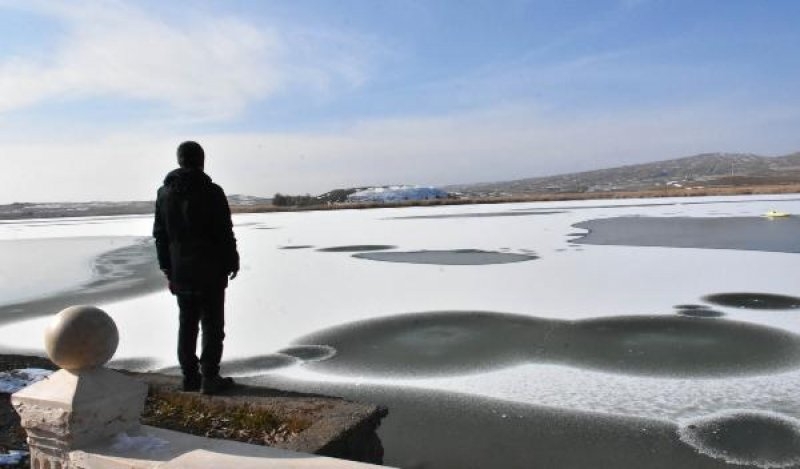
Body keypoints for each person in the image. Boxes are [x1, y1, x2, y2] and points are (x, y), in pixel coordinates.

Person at [153, 141, 240, 394]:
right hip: (210, 270)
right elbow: (224, 231)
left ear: (180, 161)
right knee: (212, 325)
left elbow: (160, 235)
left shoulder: (164, 193)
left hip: (181, 271)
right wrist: (231, 260)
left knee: (187, 323)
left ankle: (189, 377)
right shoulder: (212, 191)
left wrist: (167, 269)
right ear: (202, 160)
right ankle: (210, 377)